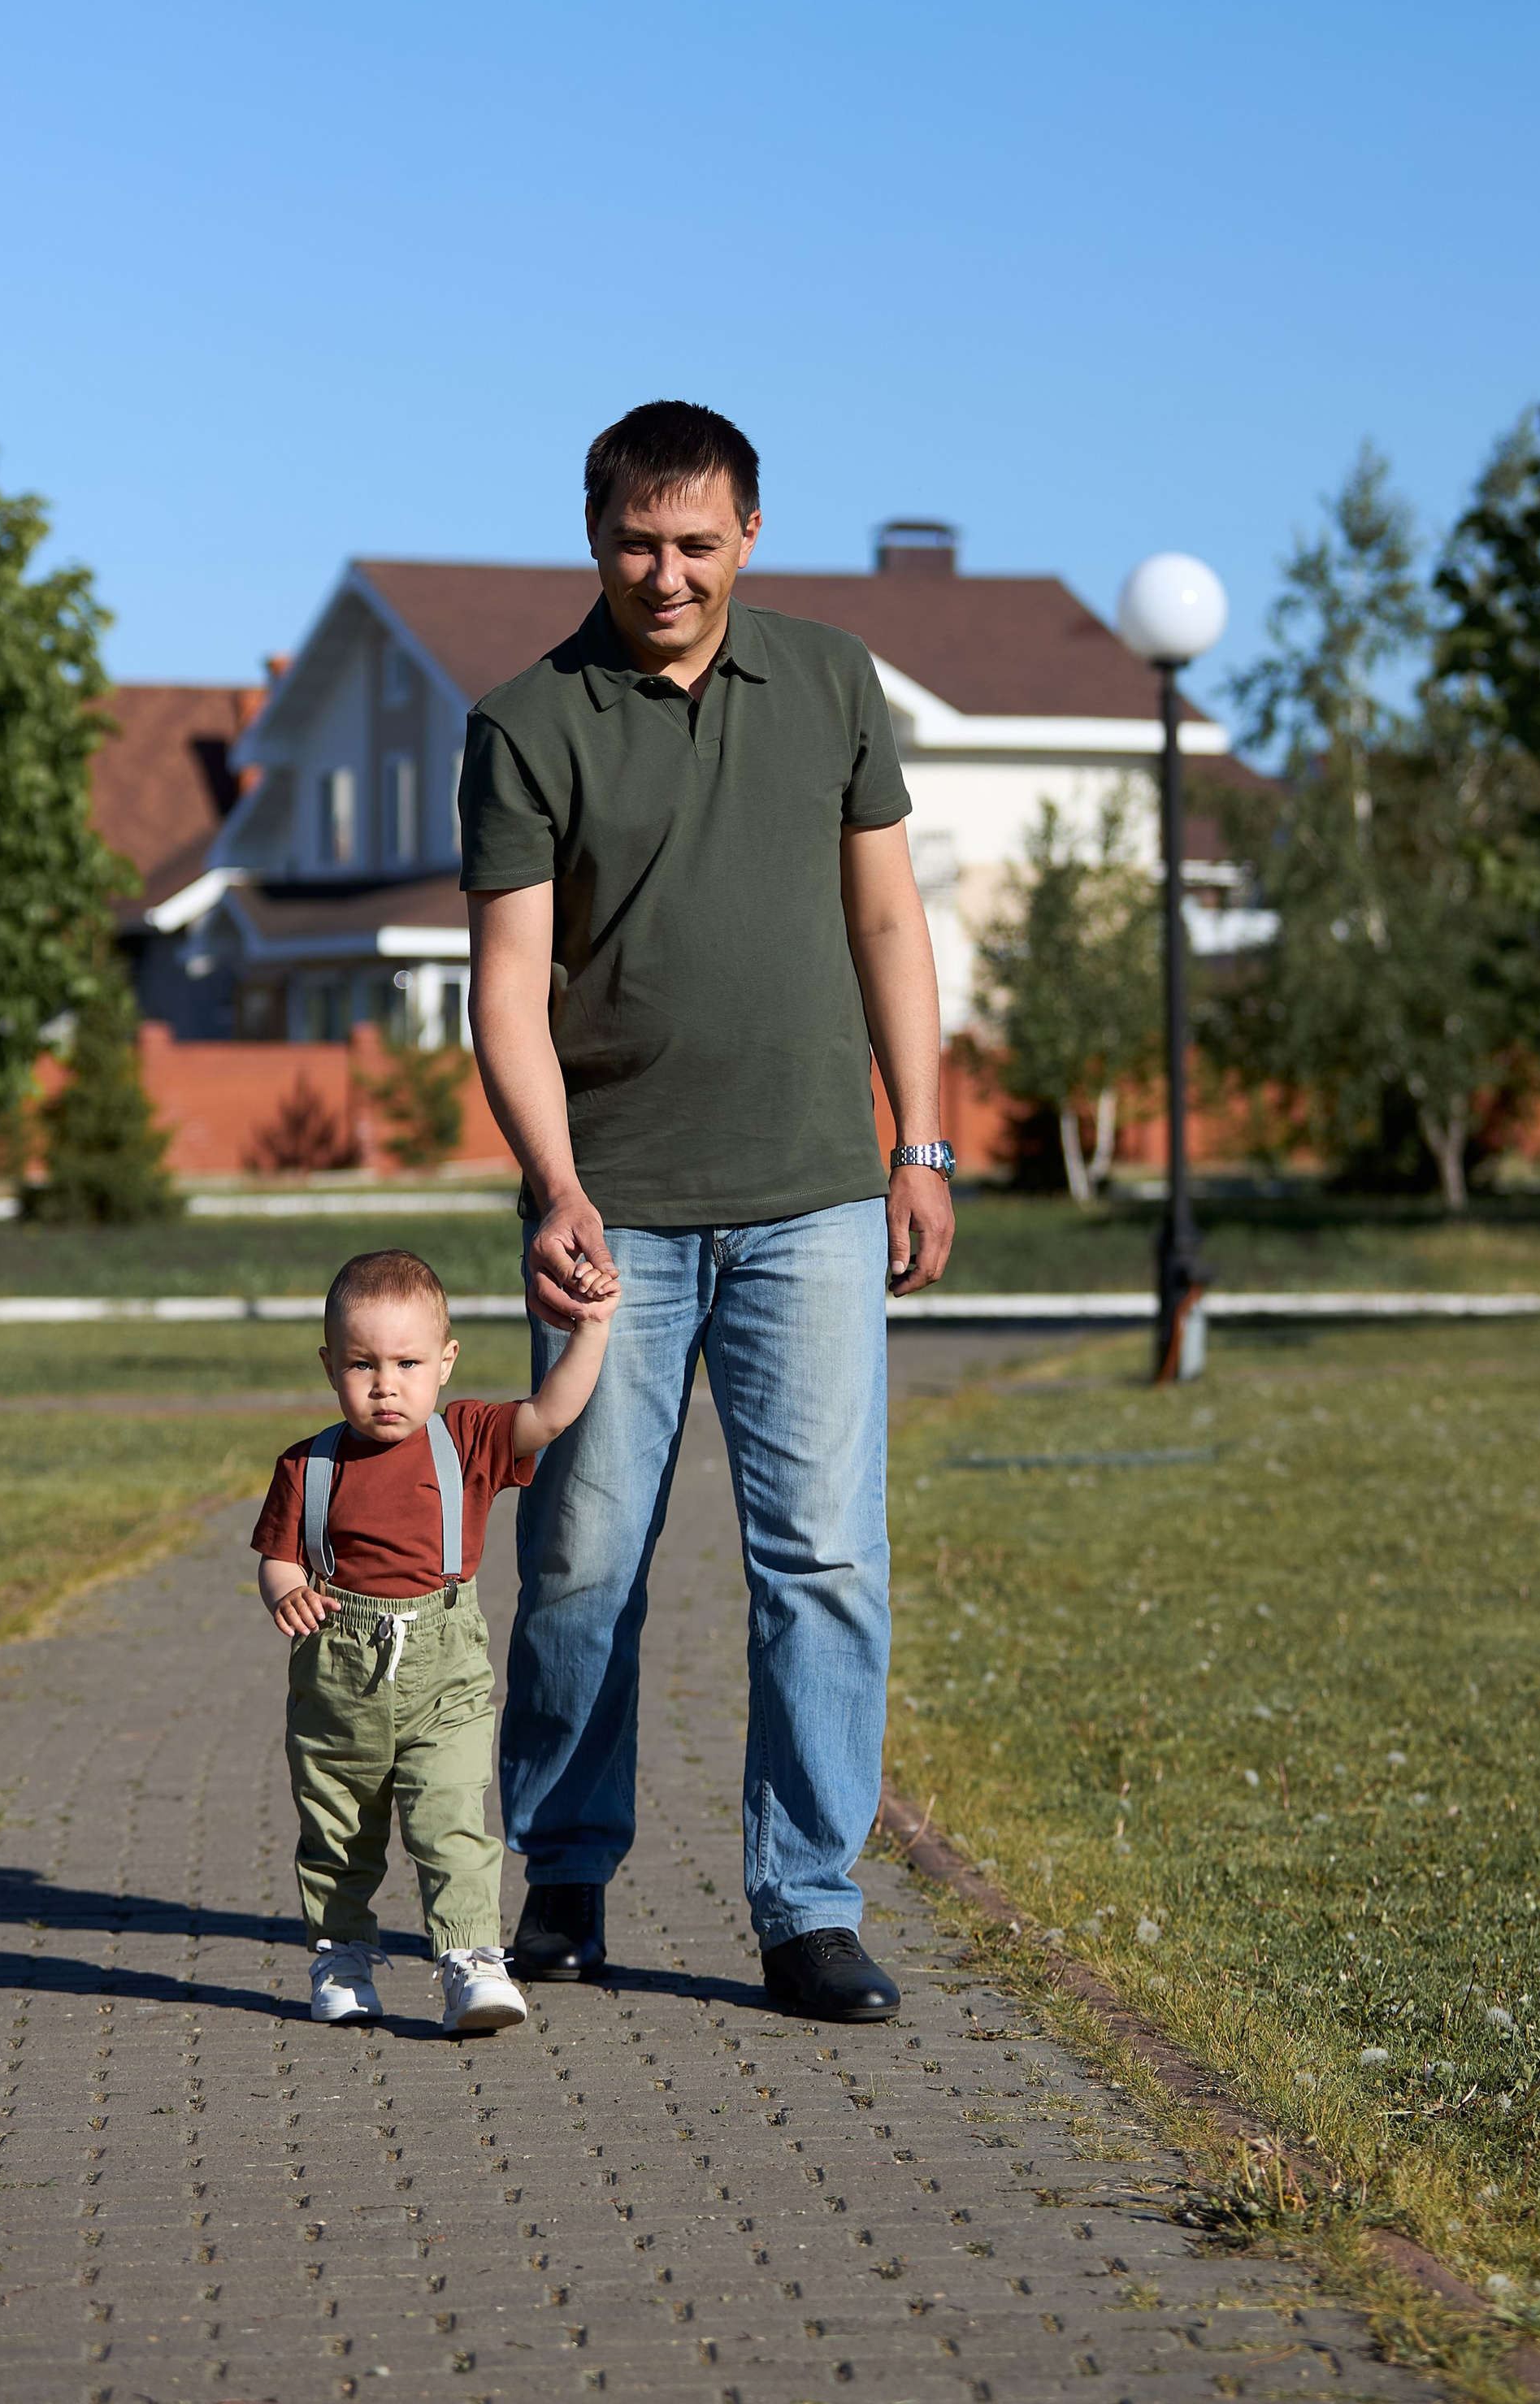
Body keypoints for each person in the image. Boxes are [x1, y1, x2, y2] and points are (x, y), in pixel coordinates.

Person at [462, 398, 956, 2025]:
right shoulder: (527, 721)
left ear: (750, 532)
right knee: (585, 1559)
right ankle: (565, 1873)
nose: (662, 574)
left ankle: (806, 1906)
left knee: (823, 1562)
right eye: (632, 543)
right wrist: (551, 1187)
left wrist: (921, 1143)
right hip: (617, 1216)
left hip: (813, 1201)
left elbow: (887, 922)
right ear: (590, 536)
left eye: (693, 543)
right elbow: (509, 987)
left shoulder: (828, 683)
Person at [251, 1243, 618, 2033]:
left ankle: (471, 1960)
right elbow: (279, 1555)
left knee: (449, 1818)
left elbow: (551, 1412)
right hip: (336, 1691)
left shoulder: (470, 1440)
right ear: (329, 1366)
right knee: (338, 1832)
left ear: (446, 1362)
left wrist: (589, 1330)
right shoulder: (309, 1465)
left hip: (444, 1682)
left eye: (408, 1363)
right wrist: (284, 1589)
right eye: (362, 1365)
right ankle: (342, 1956)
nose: (386, 1385)